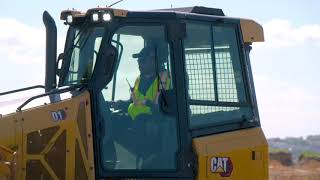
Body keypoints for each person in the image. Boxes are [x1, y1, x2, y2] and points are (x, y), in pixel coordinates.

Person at [127, 45, 170, 120]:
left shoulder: (164, 78)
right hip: (135, 121)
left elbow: (159, 107)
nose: (139, 65)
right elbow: (133, 101)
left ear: (154, 61)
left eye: (143, 61)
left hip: (154, 124)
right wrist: (120, 103)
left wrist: (146, 102)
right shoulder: (139, 79)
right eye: (138, 61)